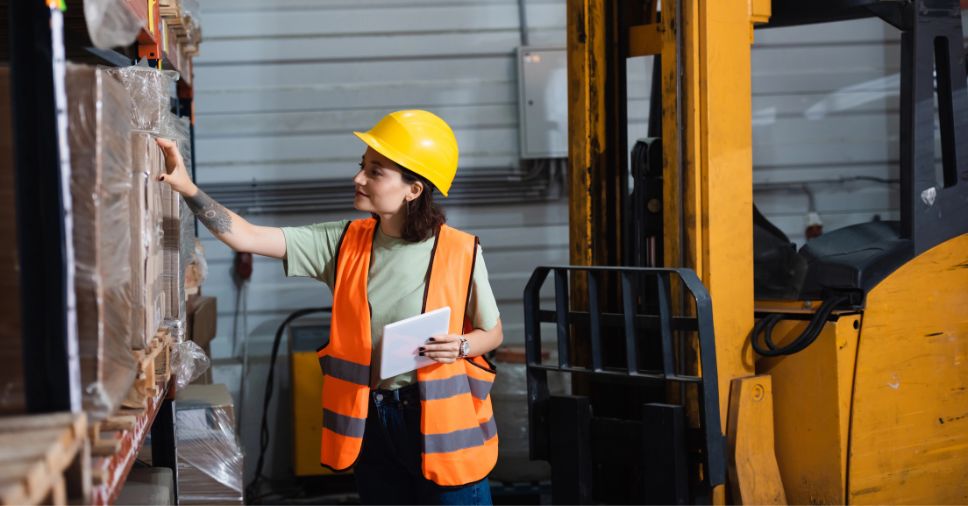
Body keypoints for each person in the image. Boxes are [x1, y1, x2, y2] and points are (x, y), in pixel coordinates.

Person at [157, 110, 502, 505]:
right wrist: (187, 188)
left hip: (444, 430)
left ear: (414, 189)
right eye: (362, 167)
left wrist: (460, 346)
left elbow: (492, 333)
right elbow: (247, 237)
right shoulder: (343, 242)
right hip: (373, 424)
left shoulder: (461, 250)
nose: (358, 178)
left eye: (376, 172)